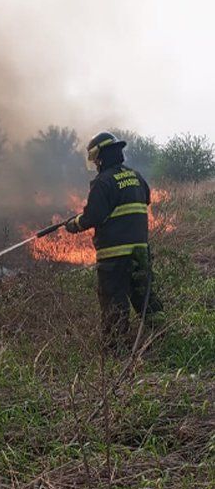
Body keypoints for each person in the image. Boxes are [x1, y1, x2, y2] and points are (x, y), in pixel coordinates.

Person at [64, 131, 163, 352]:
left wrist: (73, 224)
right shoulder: (137, 177)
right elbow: (145, 200)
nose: (95, 163)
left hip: (114, 258)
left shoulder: (103, 182)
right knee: (144, 297)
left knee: (114, 304)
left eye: (95, 158)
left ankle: (114, 351)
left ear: (101, 156)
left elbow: (93, 217)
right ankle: (162, 336)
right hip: (140, 253)